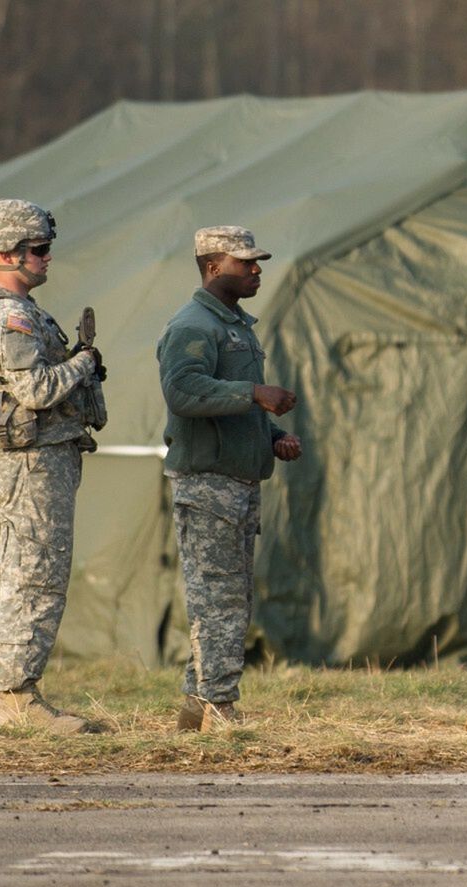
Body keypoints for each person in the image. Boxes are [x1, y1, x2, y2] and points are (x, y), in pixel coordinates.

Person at [0, 199, 108, 734]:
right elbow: (35, 389)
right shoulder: (9, 316)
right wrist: (84, 363)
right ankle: (18, 699)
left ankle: (7, 698)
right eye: (36, 250)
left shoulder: (0, 312)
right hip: (31, 464)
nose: (46, 259)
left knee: (12, 574)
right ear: (3, 253)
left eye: (45, 249)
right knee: (35, 575)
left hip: (25, 464)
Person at [157, 226, 302, 731]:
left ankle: (197, 707)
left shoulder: (234, 324)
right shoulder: (194, 326)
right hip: (207, 484)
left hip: (237, 481)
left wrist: (272, 435)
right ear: (214, 265)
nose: (256, 269)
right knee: (217, 598)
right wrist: (255, 394)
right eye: (245, 263)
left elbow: (229, 403)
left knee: (230, 597)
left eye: (257, 261)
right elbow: (183, 391)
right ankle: (220, 708)